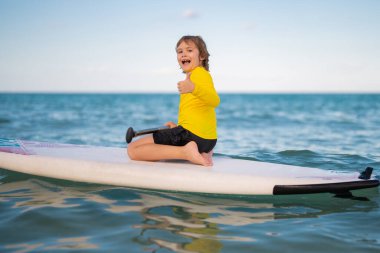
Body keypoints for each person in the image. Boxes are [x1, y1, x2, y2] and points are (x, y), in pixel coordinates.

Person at [127, 35, 220, 166]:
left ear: (202, 56)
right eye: (180, 51)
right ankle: (200, 151)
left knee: (133, 150)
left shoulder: (198, 74)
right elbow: (195, 110)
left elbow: (214, 101)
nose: (183, 54)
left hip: (192, 136)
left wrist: (193, 88)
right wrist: (178, 127)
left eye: (189, 50)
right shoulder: (199, 75)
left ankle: (185, 152)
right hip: (207, 141)